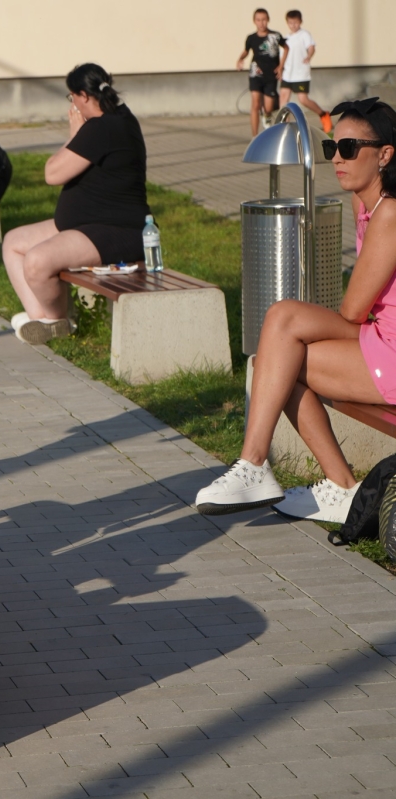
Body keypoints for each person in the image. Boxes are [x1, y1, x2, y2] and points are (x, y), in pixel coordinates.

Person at [194, 98, 396, 523]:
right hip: (380, 338)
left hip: (390, 351)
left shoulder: (390, 212)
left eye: (349, 149)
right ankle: (338, 486)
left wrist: (320, 320)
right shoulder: (367, 204)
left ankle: (255, 464)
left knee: (282, 324)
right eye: (331, 149)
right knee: (281, 352)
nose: (336, 160)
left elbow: (354, 308)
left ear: (385, 154)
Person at [1, 64, 150, 345]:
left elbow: (52, 174)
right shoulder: (119, 117)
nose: (72, 104)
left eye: (71, 98)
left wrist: (73, 133)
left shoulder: (102, 128)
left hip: (115, 231)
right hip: (88, 225)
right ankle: (42, 319)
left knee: (37, 261)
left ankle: (60, 322)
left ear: (82, 96)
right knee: (14, 242)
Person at [278, 9, 332, 134]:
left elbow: (311, 47)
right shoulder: (285, 38)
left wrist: (309, 56)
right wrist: (280, 69)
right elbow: (282, 56)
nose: (293, 25)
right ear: (287, 23)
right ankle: (284, 128)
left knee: (303, 99)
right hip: (287, 74)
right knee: (283, 101)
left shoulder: (304, 35)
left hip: (300, 74)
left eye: (296, 22)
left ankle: (323, 114)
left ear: (300, 21)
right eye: (291, 23)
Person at [236, 8, 288, 137]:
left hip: (271, 75)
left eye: (264, 20)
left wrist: (281, 66)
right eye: (258, 20)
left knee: (269, 108)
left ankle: (267, 115)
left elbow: (286, 48)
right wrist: (240, 59)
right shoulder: (251, 38)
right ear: (254, 21)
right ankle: (254, 137)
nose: (261, 23)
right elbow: (246, 50)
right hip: (256, 73)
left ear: (268, 20)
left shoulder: (275, 36)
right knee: (255, 104)